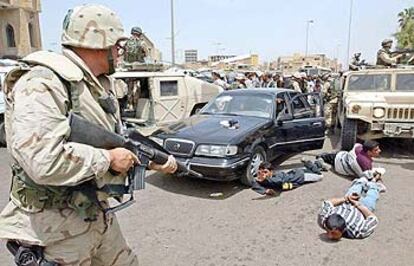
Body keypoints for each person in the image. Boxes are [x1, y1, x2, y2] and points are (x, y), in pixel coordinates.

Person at [0, 4, 178, 265]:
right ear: (97, 41)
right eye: (116, 44)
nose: (120, 51)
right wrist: (108, 160)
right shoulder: (42, 82)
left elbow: (111, 139)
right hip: (55, 232)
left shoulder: (94, 86)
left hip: (95, 214)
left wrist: (151, 159)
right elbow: (43, 160)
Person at [318, 175, 383, 240]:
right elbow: (373, 219)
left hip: (348, 201)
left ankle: (365, 177)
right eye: (327, 231)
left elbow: (328, 203)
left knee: (356, 187)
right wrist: (359, 206)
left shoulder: (323, 216)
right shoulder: (358, 231)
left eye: (333, 233)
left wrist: (345, 198)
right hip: (364, 207)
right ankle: (373, 181)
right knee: (372, 193)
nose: (329, 236)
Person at [317, 140, 385, 186]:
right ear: (368, 152)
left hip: (341, 156)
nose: (380, 151)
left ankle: (323, 157)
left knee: (328, 156)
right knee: (323, 158)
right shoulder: (365, 163)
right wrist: (378, 175)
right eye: (376, 150)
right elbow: (367, 179)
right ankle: (321, 162)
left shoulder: (360, 147)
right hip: (338, 162)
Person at [251, 160, 326, 196]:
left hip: (301, 176)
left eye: (265, 172)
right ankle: (317, 164)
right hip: (295, 179)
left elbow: (279, 181)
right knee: (311, 170)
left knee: (320, 176)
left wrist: (265, 179)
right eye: (261, 172)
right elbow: (254, 184)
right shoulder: (262, 178)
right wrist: (266, 191)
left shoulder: (277, 175)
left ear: (271, 171)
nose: (263, 174)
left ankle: (311, 163)